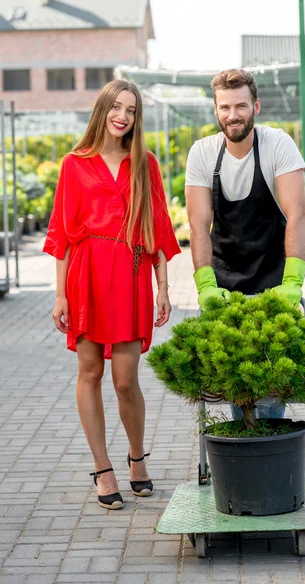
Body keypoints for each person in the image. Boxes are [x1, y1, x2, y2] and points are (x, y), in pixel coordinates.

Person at [43, 80, 180, 510]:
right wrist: (60, 295)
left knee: (125, 380)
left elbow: (157, 228)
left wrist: (163, 286)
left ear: (137, 119)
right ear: (103, 109)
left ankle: (137, 458)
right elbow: (63, 234)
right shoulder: (74, 163)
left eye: (132, 110)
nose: (123, 115)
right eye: (116, 107)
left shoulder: (145, 163)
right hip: (86, 276)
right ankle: (103, 469)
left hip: (130, 273)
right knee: (90, 372)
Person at [185, 69, 305, 420]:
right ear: (215, 111)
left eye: (240, 106)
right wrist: (205, 284)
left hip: (273, 276)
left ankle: (268, 444)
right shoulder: (203, 153)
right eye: (224, 107)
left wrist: (293, 281)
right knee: (232, 381)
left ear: (256, 106)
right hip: (225, 281)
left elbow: (297, 214)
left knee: (271, 383)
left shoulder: (277, 144)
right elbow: (198, 223)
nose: (233, 115)